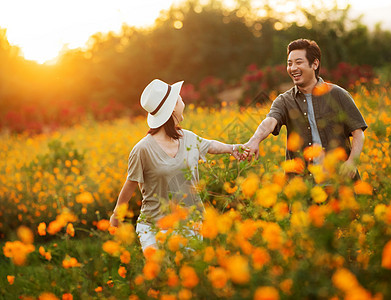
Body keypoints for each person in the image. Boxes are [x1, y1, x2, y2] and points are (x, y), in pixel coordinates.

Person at [110, 79, 248, 251]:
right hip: (155, 228)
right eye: (180, 98)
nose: (184, 101)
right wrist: (116, 215)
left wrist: (232, 148)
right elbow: (130, 184)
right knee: (162, 274)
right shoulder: (142, 149)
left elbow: (210, 145)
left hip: (190, 224)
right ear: (174, 106)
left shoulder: (187, 138)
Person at [244, 38, 367, 182]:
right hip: (302, 188)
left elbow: (358, 133)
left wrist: (352, 162)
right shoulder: (285, 100)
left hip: (338, 182)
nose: (293, 68)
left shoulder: (337, 94)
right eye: (289, 64)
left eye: (298, 62)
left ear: (315, 64)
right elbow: (270, 121)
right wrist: (254, 140)